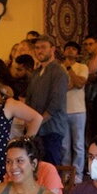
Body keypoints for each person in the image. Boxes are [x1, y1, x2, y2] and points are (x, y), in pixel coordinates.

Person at [27, 35, 69, 166]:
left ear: (52, 49)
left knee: (51, 169)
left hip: (52, 129)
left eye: (43, 47)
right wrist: (28, 120)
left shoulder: (59, 72)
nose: (39, 51)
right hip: (36, 129)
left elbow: (56, 103)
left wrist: (37, 121)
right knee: (36, 169)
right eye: (37, 48)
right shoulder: (36, 73)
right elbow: (29, 98)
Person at [62, 40, 90, 182]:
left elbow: (79, 84)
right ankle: (66, 173)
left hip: (78, 110)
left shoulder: (82, 67)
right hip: (62, 111)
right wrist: (72, 82)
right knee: (65, 145)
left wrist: (69, 70)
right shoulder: (58, 67)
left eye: (74, 49)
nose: (71, 51)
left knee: (78, 144)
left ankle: (78, 174)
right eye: (68, 48)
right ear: (64, 51)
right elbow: (59, 88)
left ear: (78, 53)